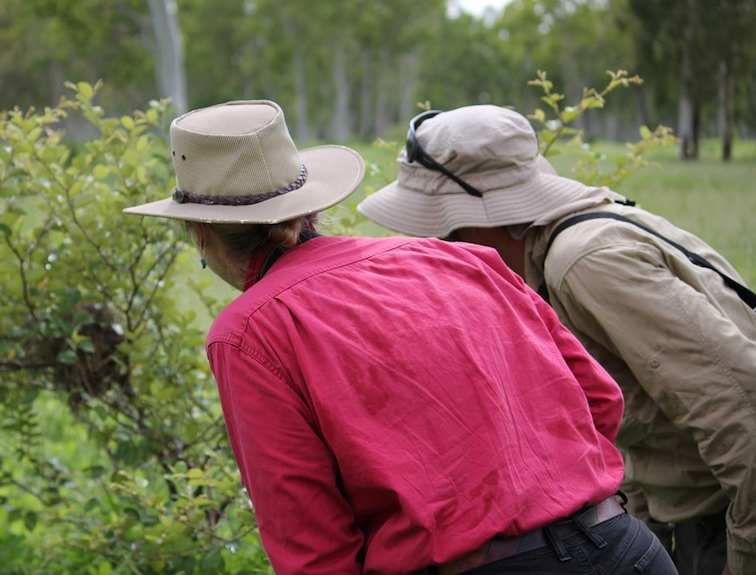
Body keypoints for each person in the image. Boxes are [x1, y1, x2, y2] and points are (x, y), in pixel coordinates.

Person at [124, 99, 676, 575]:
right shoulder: (458, 259)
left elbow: (313, 546)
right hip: (629, 548)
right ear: (311, 206)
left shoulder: (249, 332)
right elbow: (599, 399)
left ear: (198, 232)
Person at [357, 103, 756, 575]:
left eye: (442, 226)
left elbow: (741, 408)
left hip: (725, 525)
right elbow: (648, 416)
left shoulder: (586, 262)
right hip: (690, 520)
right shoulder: (559, 253)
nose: (438, 245)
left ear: (491, 215)